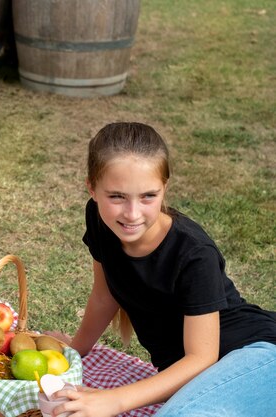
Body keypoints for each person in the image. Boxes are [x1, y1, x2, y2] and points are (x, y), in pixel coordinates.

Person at [49, 122, 276, 416]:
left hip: (257, 355)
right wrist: (75, 349)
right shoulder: (100, 220)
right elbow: (105, 296)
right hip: (199, 380)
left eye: (148, 196)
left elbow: (201, 358)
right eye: (116, 196)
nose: (131, 214)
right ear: (91, 188)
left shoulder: (194, 253)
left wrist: (114, 400)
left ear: (164, 188)